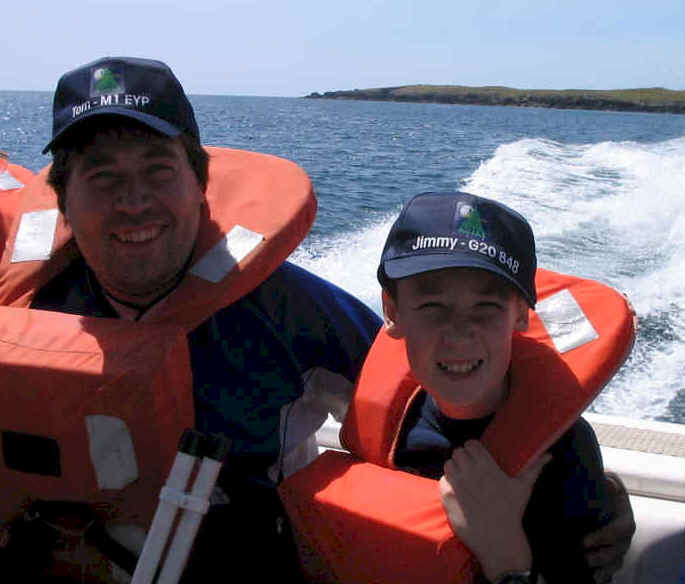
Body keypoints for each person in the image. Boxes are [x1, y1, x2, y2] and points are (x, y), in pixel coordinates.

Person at [0, 57, 633, 582]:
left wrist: (580, 494)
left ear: (200, 183)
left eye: (156, 172)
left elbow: (436, 386)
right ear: (61, 195)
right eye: (101, 177)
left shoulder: (292, 312)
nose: (132, 202)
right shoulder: (21, 307)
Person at [378, 191, 630, 583]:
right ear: (393, 313)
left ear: (521, 316)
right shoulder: (387, 425)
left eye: (487, 307)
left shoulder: (562, 452)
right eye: (432, 307)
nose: (459, 335)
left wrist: (505, 555)